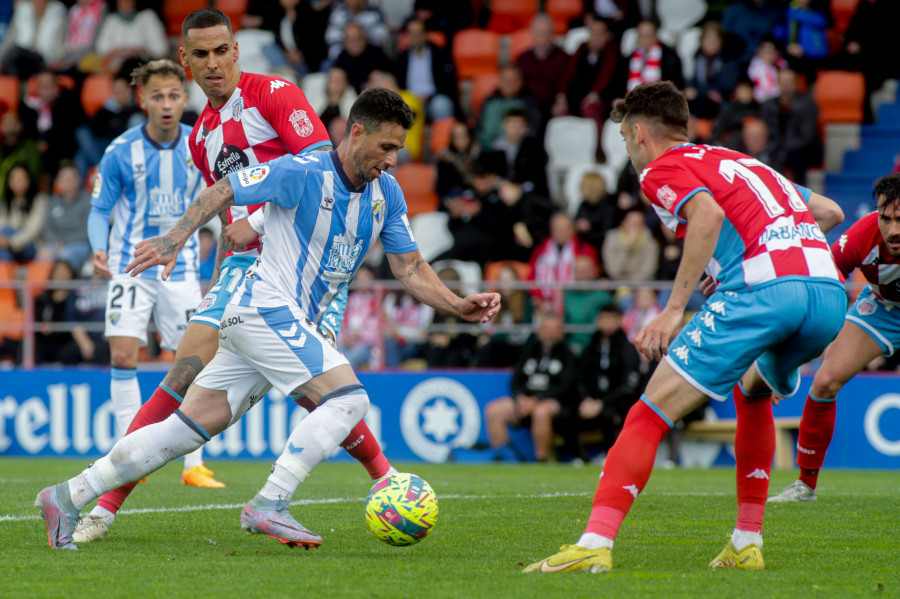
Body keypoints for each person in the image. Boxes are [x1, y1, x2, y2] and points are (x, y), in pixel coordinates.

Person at [35, 86, 501, 550]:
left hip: (266, 323)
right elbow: (225, 188)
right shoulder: (301, 171)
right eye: (386, 147)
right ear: (356, 133)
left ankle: (66, 495)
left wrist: (457, 304)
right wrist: (175, 238)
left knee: (182, 432)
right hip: (262, 305)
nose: (393, 159)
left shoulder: (388, 194)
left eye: (398, 149)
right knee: (349, 400)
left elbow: (411, 267)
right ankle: (270, 503)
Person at [70, 8, 401, 545]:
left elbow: (321, 168)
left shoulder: (275, 93)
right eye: (200, 54)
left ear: (235, 50)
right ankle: (103, 506)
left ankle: (385, 479)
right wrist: (203, 250)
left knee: (318, 391)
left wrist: (252, 220)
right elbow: (228, 215)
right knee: (181, 378)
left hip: (304, 264)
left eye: (222, 50)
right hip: (248, 270)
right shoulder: (201, 137)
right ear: (186, 60)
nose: (213, 63)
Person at [524, 81, 846, 574]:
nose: (628, 152)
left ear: (638, 134)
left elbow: (707, 215)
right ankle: (745, 542)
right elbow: (829, 212)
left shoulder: (661, 168)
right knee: (751, 391)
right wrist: (762, 258)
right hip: (826, 297)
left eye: (625, 141)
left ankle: (594, 542)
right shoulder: (740, 162)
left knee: (648, 414)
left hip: (763, 295)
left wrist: (676, 308)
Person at [86, 59, 213, 494]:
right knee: (123, 356)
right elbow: (101, 208)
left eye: (174, 95)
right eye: (157, 96)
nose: (166, 104)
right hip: (130, 265)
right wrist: (97, 247)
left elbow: (224, 196)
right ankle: (129, 453)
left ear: (185, 98)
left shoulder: (200, 146)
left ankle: (194, 464)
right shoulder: (121, 151)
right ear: (142, 99)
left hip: (183, 267)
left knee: (192, 362)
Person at [769, 173, 900, 503]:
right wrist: (785, 361)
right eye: (886, 219)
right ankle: (805, 486)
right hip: (885, 309)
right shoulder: (862, 236)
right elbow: (820, 288)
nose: (893, 230)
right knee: (824, 381)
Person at [483, 314, 579, 462]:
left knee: (541, 411)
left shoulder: (568, 355)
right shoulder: (529, 351)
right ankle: (504, 457)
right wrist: (520, 398)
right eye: (547, 329)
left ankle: (542, 459)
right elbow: (516, 380)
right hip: (525, 400)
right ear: (539, 331)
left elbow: (565, 386)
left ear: (561, 333)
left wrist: (536, 400)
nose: (551, 334)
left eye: (555, 330)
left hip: (552, 402)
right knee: (494, 410)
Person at [0, 164, 47, 262]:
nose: (18, 181)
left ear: (28, 180)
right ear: (9, 182)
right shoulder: (7, 202)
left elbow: (33, 230)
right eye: (15, 178)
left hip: (31, 245)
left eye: (21, 178)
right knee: (4, 251)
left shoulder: (39, 200)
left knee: (6, 233)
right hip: (8, 245)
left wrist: (10, 242)